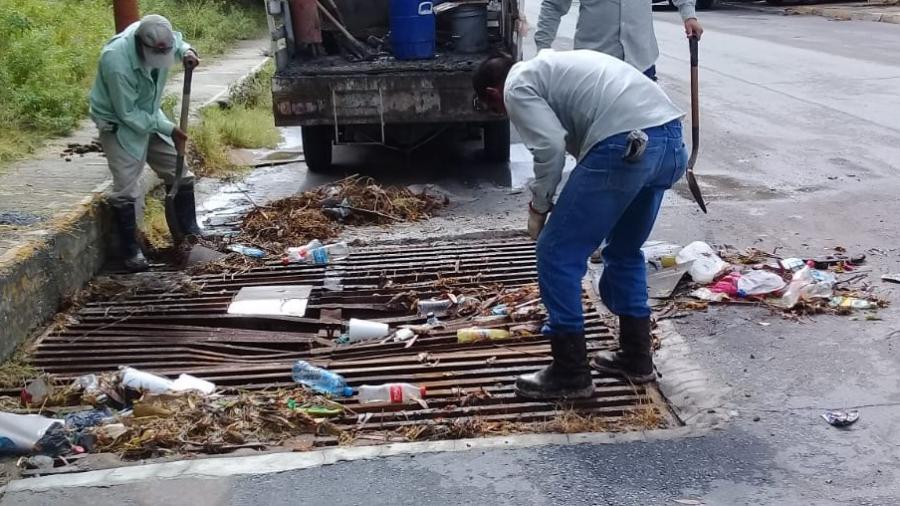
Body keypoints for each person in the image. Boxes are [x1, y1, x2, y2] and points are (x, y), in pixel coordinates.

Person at [472, 50, 688, 399]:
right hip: (670, 142)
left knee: (556, 253)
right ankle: (636, 356)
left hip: (625, 144)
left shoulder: (516, 85)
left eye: (493, 108)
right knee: (624, 249)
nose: (502, 113)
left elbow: (549, 147)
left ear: (493, 93)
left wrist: (539, 205)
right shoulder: (553, 69)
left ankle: (570, 372)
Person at [90, 14, 202, 272]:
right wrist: (168, 127)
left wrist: (187, 51)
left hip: (149, 114)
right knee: (127, 186)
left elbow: (178, 42)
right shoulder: (115, 61)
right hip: (120, 123)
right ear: (141, 45)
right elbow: (127, 113)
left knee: (179, 171)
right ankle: (130, 251)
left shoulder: (159, 34)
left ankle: (190, 234)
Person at [535, 0, 703, 81]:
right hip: (594, 67)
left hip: (641, 64)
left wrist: (689, 15)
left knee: (642, 135)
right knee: (596, 137)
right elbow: (553, 5)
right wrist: (542, 48)